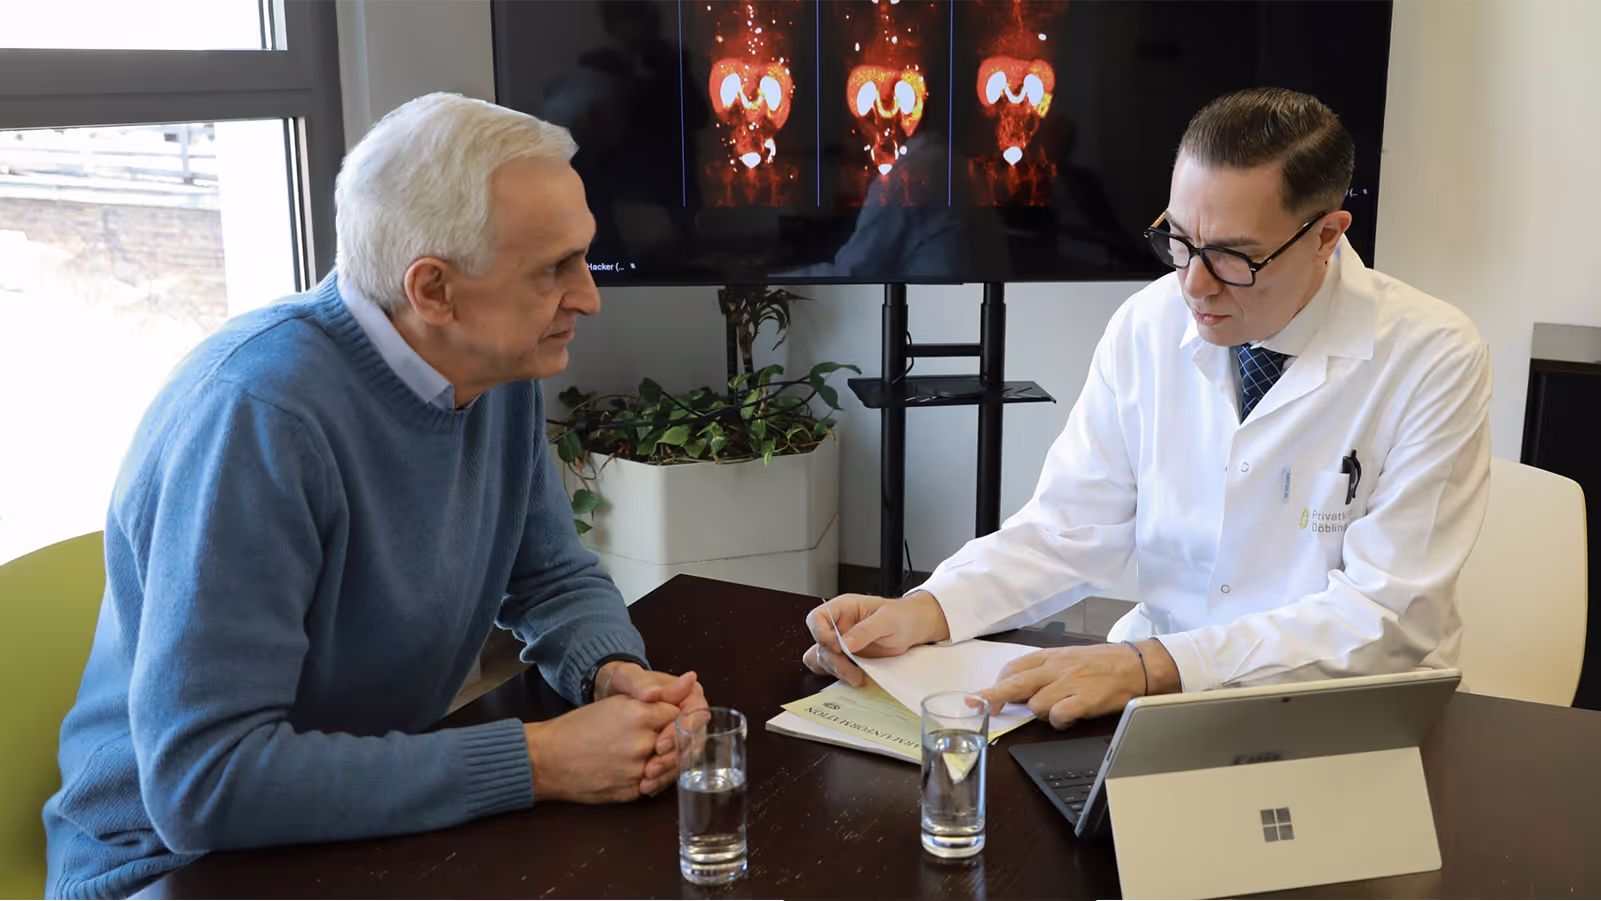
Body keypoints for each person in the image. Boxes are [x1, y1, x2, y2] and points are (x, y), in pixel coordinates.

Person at [44, 93, 706, 899]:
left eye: (582, 257)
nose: (588, 297)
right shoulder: (258, 416)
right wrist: (539, 760)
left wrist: (611, 670)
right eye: (551, 270)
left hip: (357, 827)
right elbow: (203, 784)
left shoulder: (494, 366)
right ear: (432, 289)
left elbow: (551, 578)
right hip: (178, 869)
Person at [803, 88, 1492, 729]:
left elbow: (1385, 619)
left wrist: (1154, 665)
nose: (1193, 286)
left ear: (1325, 235)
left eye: (1231, 257)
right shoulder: (1147, 323)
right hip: (1153, 703)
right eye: (1179, 240)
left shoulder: (1430, 356)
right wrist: (927, 609)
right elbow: (1069, 526)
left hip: (1337, 715)